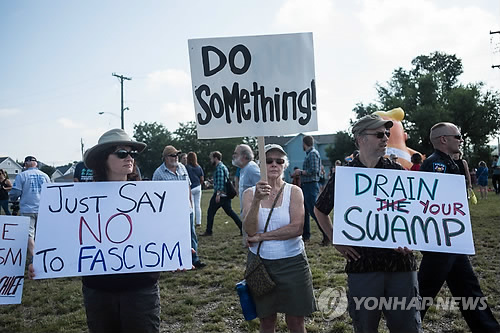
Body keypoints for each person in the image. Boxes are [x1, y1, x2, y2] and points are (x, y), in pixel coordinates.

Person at [43, 128, 160, 332]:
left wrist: (181, 253)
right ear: (102, 159)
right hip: (99, 290)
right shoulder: (81, 201)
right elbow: (66, 240)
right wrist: (42, 262)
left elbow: (161, 234)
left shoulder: (148, 197)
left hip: (140, 289)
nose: (129, 158)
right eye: (122, 153)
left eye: (132, 153)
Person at [314, 114, 421, 333]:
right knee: (365, 327)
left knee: (408, 327)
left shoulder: (398, 172)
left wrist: (411, 240)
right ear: (361, 139)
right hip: (363, 266)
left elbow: (414, 214)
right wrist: (335, 240)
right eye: (380, 134)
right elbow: (320, 210)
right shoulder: (345, 175)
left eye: (388, 135)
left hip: (400, 265)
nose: (386, 139)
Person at [418, 122, 500, 332]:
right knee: (424, 292)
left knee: (468, 289)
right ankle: (405, 326)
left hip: (453, 239)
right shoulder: (436, 164)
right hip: (440, 240)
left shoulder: (450, 162)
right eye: (458, 136)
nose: (461, 140)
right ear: (443, 139)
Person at [243, 144, 316, 332]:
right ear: (260, 165)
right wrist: (257, 200)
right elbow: (250, 231)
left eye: (279, 161)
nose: (274, 164)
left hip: (293, 263)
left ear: (285, 165)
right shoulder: (250, 194)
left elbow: (297, 228)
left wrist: (263, 237)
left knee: (296, 321)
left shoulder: (294, 191)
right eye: (268, 161)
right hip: (260, 265)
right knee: (266, 321)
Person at [153, 146, 205, 269]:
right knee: (171, 235)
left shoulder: (182, 168)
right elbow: (155, 194)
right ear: (165, 158)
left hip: (186, 209)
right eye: (172, 155)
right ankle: (173, 260)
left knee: (191, 234)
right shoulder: (158, 173)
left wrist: (190, 204)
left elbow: (188, 186)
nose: (175, 157)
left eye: (177, 155)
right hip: (170, 211)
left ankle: (194, 259)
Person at [9, 155, 50, 256]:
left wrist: (13, 199)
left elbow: (16, 192)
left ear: (26, 164)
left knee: (29, 233)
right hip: (43, 208)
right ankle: (45, 253)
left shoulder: (22, 175)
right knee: (42, 232)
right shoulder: (45, 176)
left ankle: (34, 256)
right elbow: (50, 192)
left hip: (28, 208)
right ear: (36, 164)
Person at [292, 135, 328, 246]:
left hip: (311, 185)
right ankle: (305, 235)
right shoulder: (310, 154)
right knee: (305, 212)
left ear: (304, 143)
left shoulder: (313, 154)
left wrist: (300, 172)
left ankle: (327, 235)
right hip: (307, 185)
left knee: (314, 211)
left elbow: (314, 170)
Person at [201, 151, 242, 236]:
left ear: (215, 158)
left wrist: (218, 194)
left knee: (210, 212)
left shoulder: (219, 168)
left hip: (221, 195)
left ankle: (209, 231)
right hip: (226, 195)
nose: (210, 160)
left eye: (211, 158)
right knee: (230, 212)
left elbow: (220, 182)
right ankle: (242, 227)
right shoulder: (223, 166)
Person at [232, 144, 260, 211]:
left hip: (253, 212)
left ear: (244, 156)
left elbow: (263, 187)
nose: (233, 156)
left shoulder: (251, 168)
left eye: (236, 153)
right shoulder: (244, 168)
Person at [186, 152, 204, 227]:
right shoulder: (199, 167)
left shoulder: (187, 167)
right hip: (198, 186)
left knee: (191, 205)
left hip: (191, 187)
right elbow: (202, 178)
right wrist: (199, 184)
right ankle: (198, 222)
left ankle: (192, 222)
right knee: (198, 205)